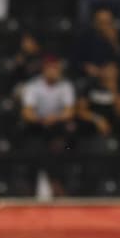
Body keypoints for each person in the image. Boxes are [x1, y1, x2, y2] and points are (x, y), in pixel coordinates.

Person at [19, 55, 75, 197]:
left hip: (57, 128)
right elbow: (27, 112)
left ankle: (57, 183)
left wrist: (54, 118)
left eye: (57, 69)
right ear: (44, 70)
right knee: (35, 149)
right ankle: (33, 187)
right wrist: (41, 119)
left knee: (59, 147)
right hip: (37, 127)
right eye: (52, 69)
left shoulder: (65, 86)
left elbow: (69, 112)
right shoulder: (33, 86)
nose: (54, 72)